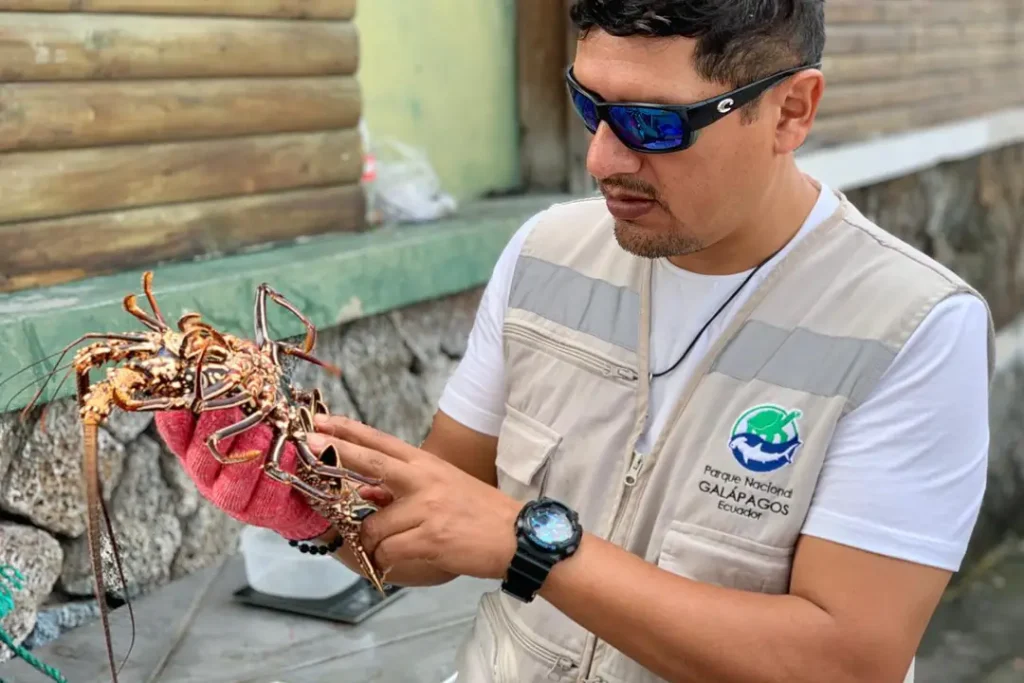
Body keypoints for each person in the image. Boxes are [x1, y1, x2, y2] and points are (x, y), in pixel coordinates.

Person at [155, 1, 995, 681]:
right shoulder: (546, 252)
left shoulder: (910, 327)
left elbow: (845, 660)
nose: (601, 157)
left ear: (791, 110)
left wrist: (530, 544)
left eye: (653, 125)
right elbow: (435, 527)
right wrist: (303, 497)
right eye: (589, 105)